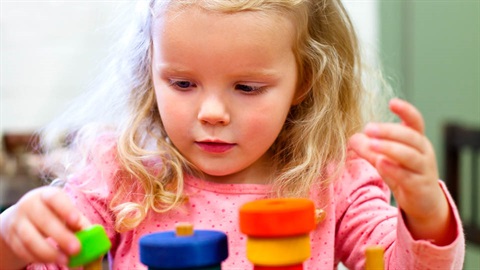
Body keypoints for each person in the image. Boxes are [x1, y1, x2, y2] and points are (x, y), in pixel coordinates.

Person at [0, 0, 465, 269]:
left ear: (303, 80)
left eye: (247, 87)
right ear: (151, 69)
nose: (212, 112)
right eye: (182, 83)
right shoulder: (121, 171)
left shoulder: (335, 178)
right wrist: (13, 237)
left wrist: (424, 210)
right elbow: (56, 254)